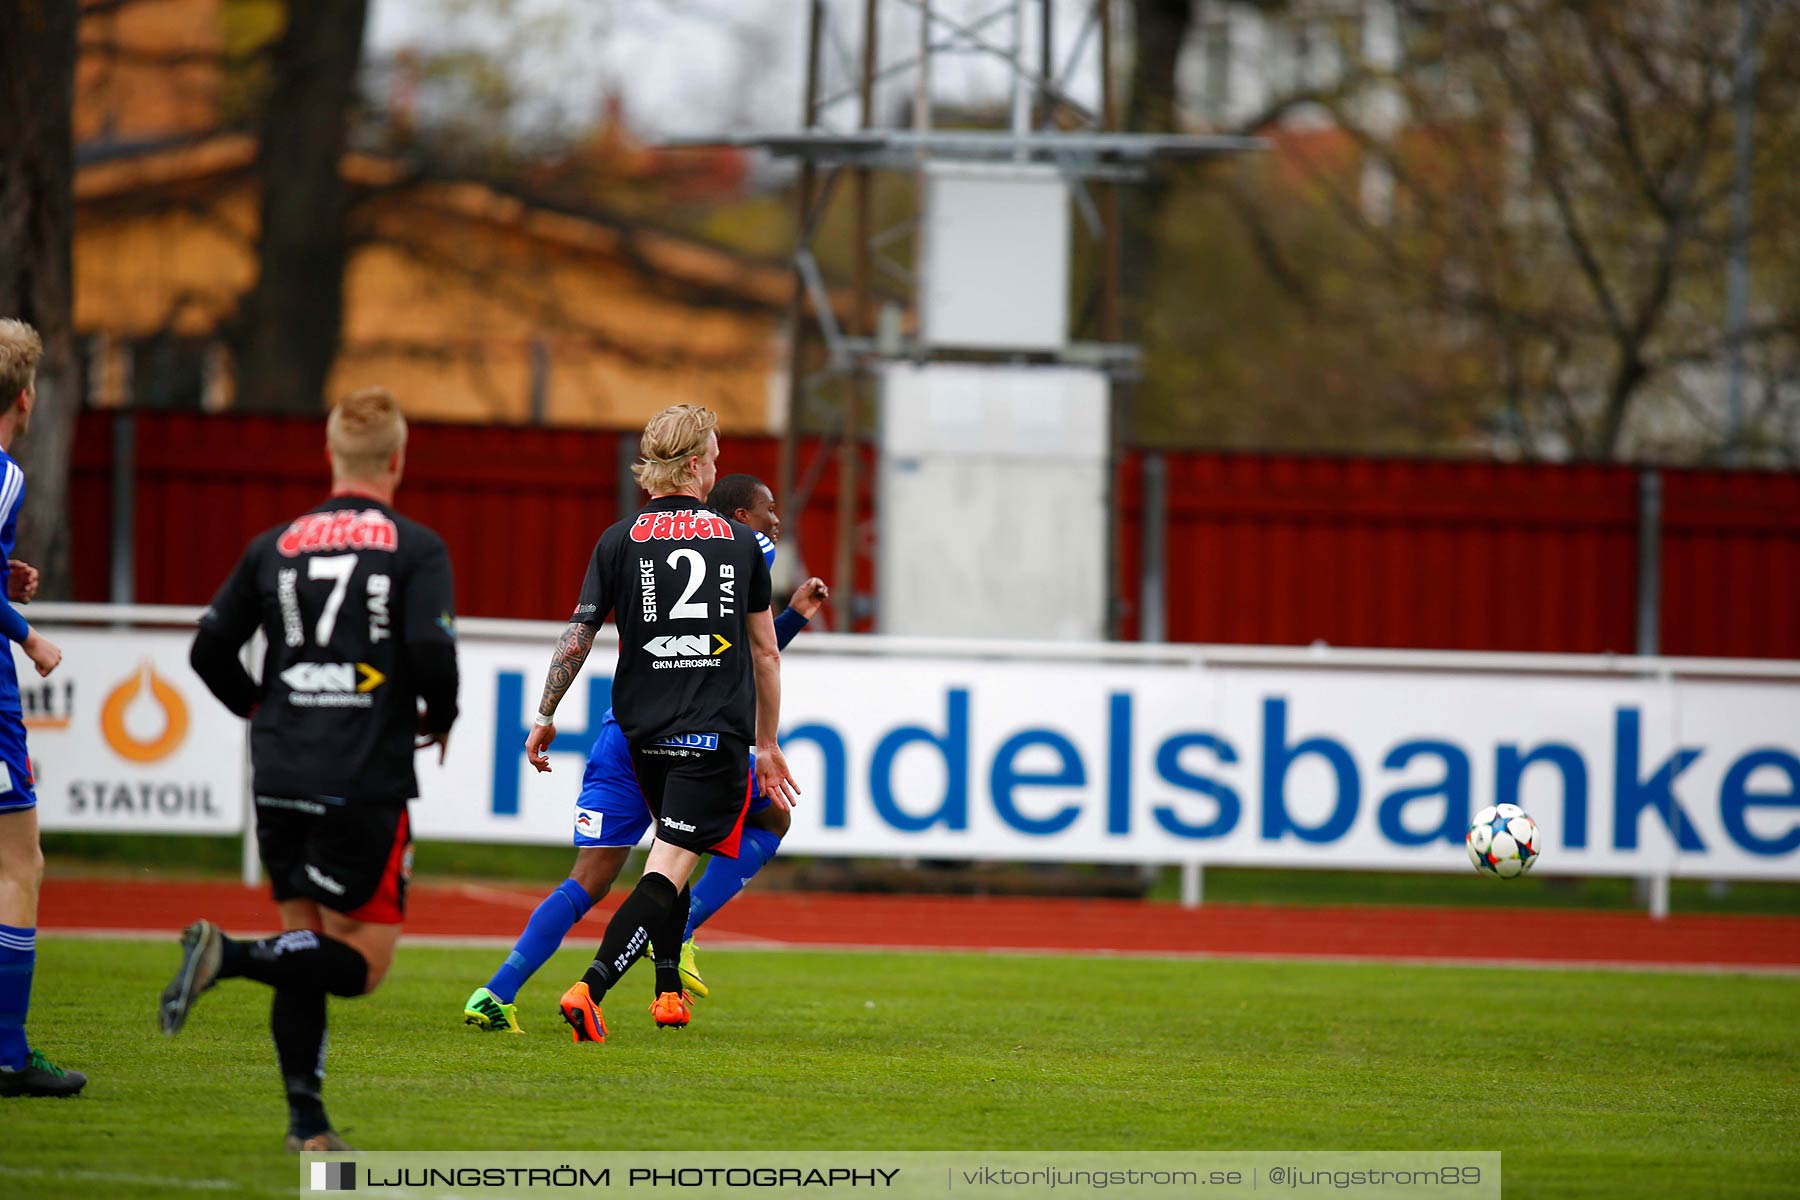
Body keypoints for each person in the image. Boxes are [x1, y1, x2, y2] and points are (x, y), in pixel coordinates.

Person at [160, 388, 458, 1150]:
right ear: (397, 459)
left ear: (331, 455)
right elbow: (430, 652)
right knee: (362, 962)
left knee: (303, 940)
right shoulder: (415, 546)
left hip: (281, 770)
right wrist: (441, 716)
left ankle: (308, 1127)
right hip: (361, 775)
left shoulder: (275, 544)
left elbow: (206, 650)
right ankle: (228, 955)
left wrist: (263, 709)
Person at [461, 472, 826, 1033]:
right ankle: (660, 948)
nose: (775, 523)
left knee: (594, 875)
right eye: (767, 512)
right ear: (738, 516)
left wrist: (543, 715)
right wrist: (791, 622)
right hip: (695, 736)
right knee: (747, 827)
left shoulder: (636, 543)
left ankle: (502, 989)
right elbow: (747, 651)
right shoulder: (737, 550)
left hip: (624, 735)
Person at [523, 404, 797, 1044]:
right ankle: (589, 988)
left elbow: (578, 635)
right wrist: (767, 743)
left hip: (641, 735)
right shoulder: (741, 543)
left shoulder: (618, 539)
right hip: (712, 738)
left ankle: (669, 989)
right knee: (667, 870)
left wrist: (544, 714)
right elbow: (764, 651)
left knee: (669, 855)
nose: (719, 468)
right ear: (697, 464)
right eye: (717, 458)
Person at [0, 319, 82, 1099]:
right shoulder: (6, 473)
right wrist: (28, 637)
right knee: (19, 867)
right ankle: (9, 1054)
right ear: (25, 399)